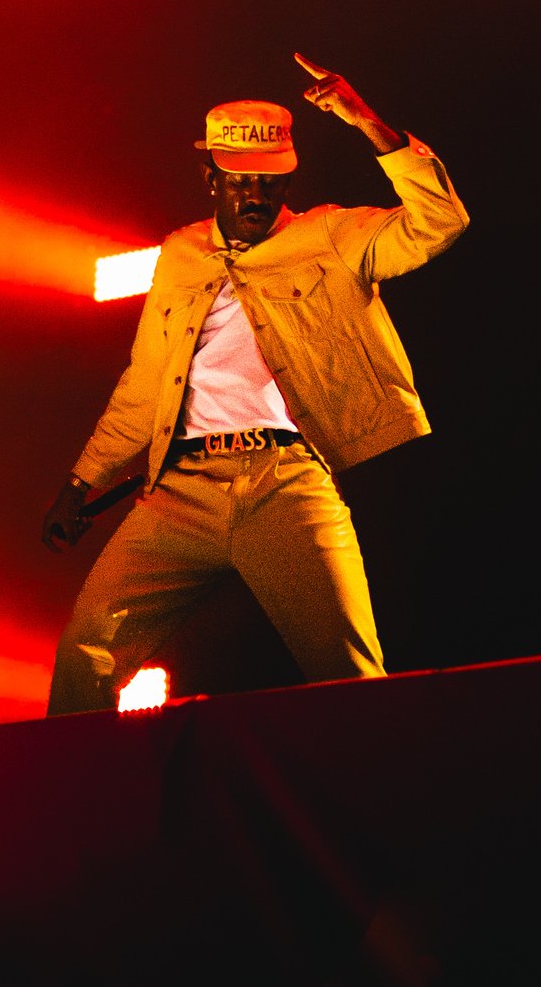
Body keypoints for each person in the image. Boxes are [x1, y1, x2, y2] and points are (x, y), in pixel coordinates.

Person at [42, 54, 469, 715]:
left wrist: (365, 120)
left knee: (351, 674)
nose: (255, 197)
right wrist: (81, 480)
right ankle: (74, 805)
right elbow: (145, 382)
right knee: (85, 651)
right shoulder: (180, 254)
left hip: (285, 484)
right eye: (240, 181)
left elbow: (440, 220)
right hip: (178, 494)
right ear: (210, 178)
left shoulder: (328, 235)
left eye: (270, 184)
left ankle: (375, 801)